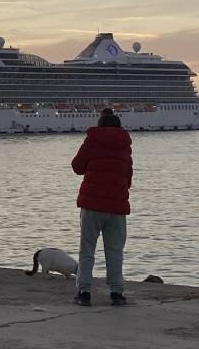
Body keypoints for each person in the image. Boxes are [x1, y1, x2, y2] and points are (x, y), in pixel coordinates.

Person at [72, 108, 133, 307]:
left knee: (87, 249)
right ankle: (116, 293)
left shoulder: (93, 140)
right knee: (115, 250)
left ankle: (84, 292)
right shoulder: (125, 145)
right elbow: (128, 177)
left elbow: (77, 166)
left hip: (92, 205)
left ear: (100, 125)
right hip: (117, 205)